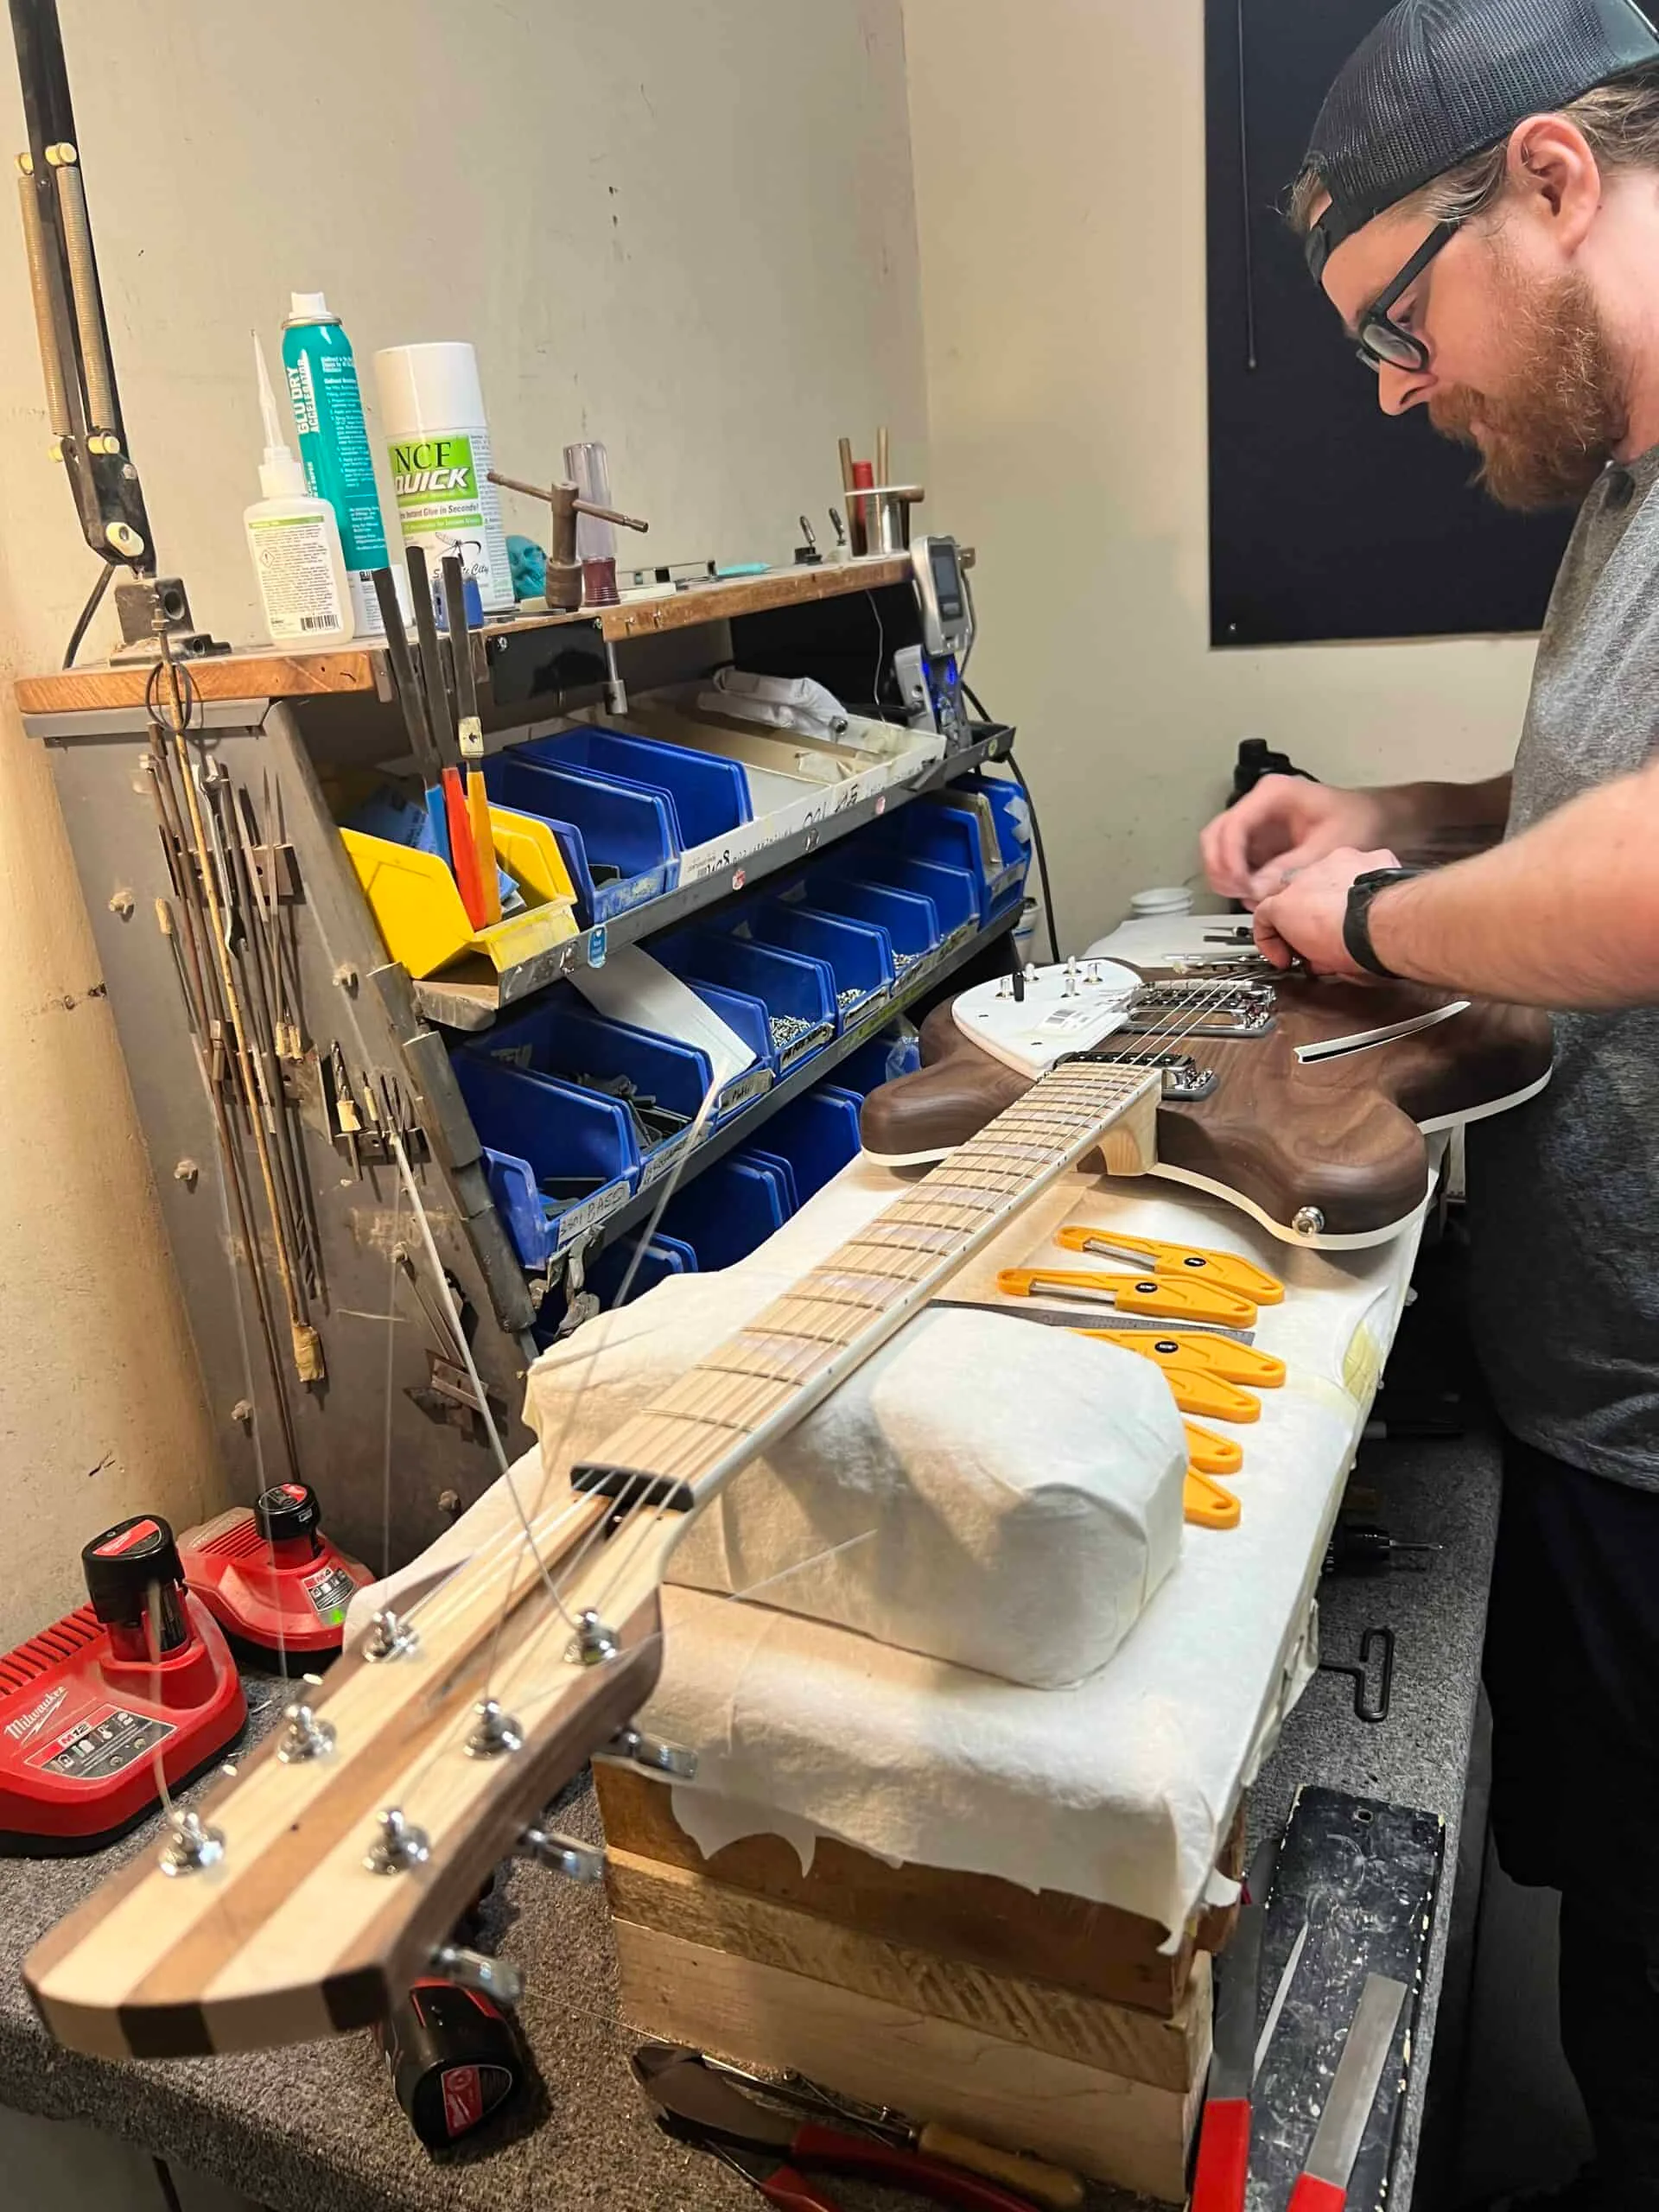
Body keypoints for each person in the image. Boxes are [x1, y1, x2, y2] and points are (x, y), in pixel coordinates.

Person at [1198, 3, 1659, 2205]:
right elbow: (1583, 809)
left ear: (1552, 181)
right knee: (1627, 1966)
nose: (1397, 387)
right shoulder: (1623, 491)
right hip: (1602, 1409)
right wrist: (1380, 808)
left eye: (1401, 314)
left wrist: (1377, 926)